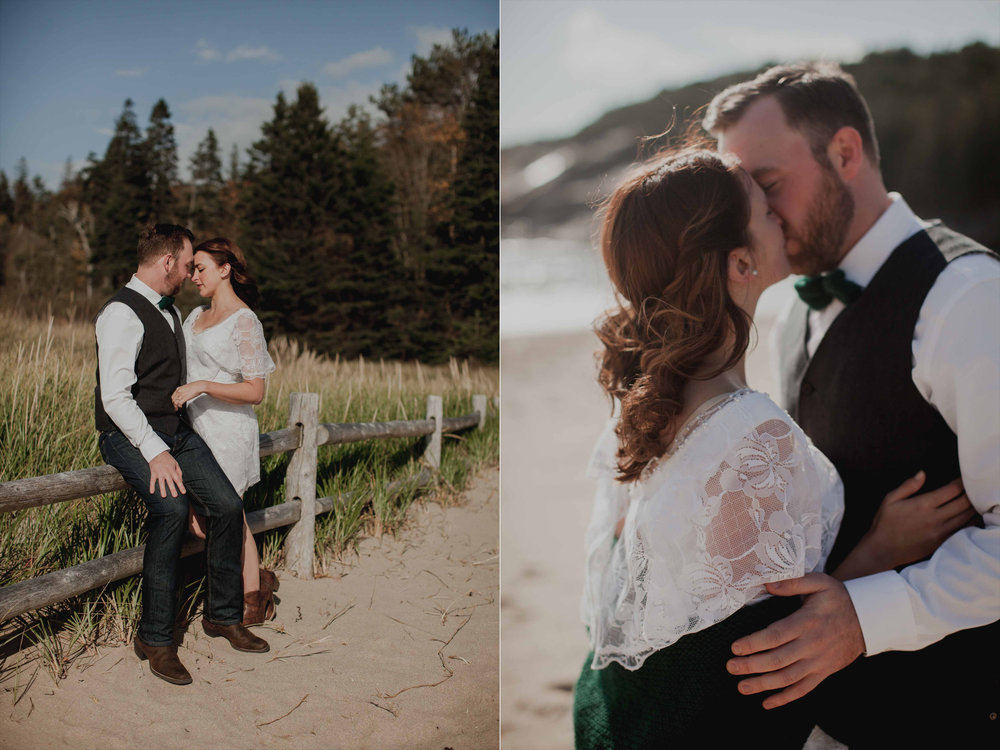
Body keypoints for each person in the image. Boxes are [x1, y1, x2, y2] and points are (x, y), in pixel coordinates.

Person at [572, 148, 972, 747]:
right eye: (765, 211)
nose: (780, 219)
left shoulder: (644, 406)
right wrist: (879, 549)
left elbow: (709, 603)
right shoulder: (751, 434)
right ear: (740, 263)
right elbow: (763, 651)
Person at [703, 62, 1000, 746]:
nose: (758, 217)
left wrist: (865, 616)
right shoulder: (789, 316)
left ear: (844, 152)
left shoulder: (966, 299)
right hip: (826, 721)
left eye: (769, 186)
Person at [95, 224, 269, 687]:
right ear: (168, 261)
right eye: (187, 262)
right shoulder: (120, 312)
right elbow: (115, 398)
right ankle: (155, 637)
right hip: (128, 436)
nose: (191, 271)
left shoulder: (172, 313)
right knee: (172, 509)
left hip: (177, 433)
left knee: (228, 506)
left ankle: (223, 615)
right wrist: (154, 452)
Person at [170, 237, 278, 626]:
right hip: (192, 431)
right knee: (204, 520)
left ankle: (252, 598)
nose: (193, 275)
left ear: (224, 268)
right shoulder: (194, 315)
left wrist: (203, 386)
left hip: (228, 431)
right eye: (192, 268)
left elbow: (255, 390)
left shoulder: (245, 320)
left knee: (231, 518)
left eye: (200, 268)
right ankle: (257, 583)